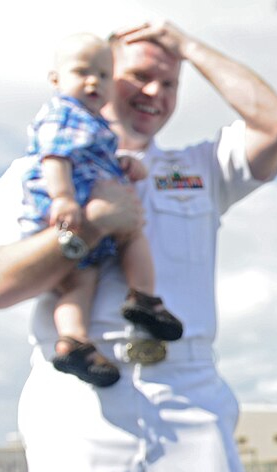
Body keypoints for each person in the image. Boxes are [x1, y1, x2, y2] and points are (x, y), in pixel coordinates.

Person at [0, 20, 277, 472]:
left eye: (170, 83)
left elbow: (276, 121)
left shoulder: (194, 169)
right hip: (80, 395)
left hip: (187, 391)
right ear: (98, 77)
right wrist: (91, 226)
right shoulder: (35, 169)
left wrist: (188, 47)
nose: (157, 93)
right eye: (140, 76)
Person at [21, 32, 183, 387]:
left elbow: (93, 159)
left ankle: (73, 342)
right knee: (133, 233)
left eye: (104, 75)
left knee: (78, 281)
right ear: (56, 79)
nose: (94, 81)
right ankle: (144, 298)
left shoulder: (93, 123)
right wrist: (63, 197)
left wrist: (123, 163)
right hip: (71, 210)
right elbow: (55, 156)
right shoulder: (64, 112)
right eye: (82, 72)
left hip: (81, 214)